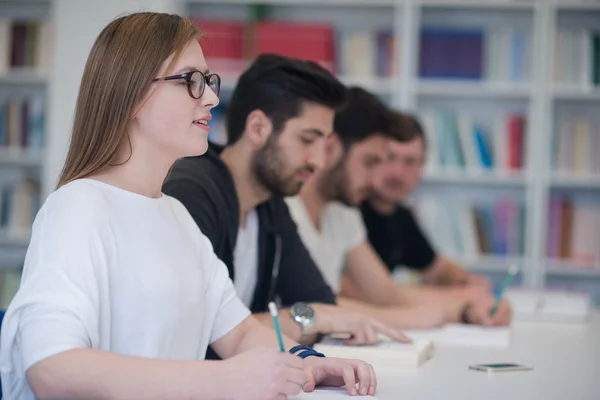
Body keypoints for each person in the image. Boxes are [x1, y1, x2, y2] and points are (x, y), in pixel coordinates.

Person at [0, 12, 377, 399]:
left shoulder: (176, 216)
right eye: (191, 81)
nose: (212, 97)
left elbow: (241, 333)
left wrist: (308, 364)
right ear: (132, 95)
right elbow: (53, 368)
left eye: (208, 81)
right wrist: (226, 380)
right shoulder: (78, 208)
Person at [162, 53, 407, 348]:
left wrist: (308, 318)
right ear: (258, 129)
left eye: (323, 144)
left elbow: (322, 305)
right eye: (307, 140)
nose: (317, 161)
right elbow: (202, 331)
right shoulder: (190, 192)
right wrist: (308, 320)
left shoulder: (270, 203)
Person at [286, 87, 512, 330]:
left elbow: (385, 294)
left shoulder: (342, 212)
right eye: (370, 162)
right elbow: (311, 306)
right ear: (331, 149)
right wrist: (418, 316)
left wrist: (467, 307)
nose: (376, 181)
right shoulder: (285, 212)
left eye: (411, 162)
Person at [360, 112, 491, 288]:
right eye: (389, 158)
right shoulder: (350, 210)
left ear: (422, 166)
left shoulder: (401, 216)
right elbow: (370, 292)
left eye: (410, 161)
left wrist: (470, 282)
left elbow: (436, 268)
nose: (397, 172)